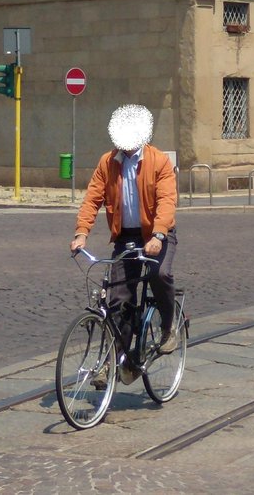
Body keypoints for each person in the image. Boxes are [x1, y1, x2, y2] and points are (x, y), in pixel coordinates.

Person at [70, 104, 178, 383]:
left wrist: (158, 235)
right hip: (126, 238)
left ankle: (169, 327)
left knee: (159, 273)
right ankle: (113, 363)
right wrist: (82, 232)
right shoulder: (108, 162)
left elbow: (167, 200)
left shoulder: (158, 161)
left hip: (157, 234)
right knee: (119, 301)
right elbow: (92, 199)